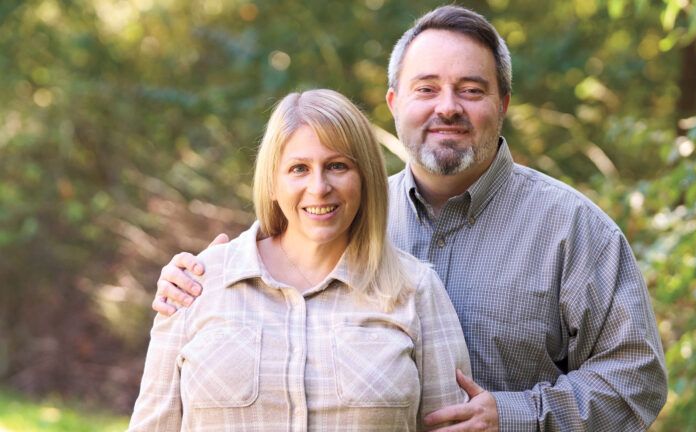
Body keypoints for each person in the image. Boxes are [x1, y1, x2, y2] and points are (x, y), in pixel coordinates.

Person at [153, 6, 668, 431]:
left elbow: (637, 381)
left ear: (503, 103)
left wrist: (516, 416)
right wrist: (192, 280)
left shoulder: (574, 231)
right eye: (426, 89)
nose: (447, 107)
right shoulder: (340, 213)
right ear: (395, 103)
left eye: (471, 89)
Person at [130, 89, 472, 431]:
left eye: (337, 166)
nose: (319, 187)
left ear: (366, 179)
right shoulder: (196, 283)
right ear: (273, 183)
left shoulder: (415, 289)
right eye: (299, 169)